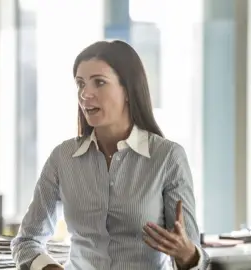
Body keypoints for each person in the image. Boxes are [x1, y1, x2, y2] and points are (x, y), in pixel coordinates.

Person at [11, 40, 210, 270]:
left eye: (100, 83)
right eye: (80, 84)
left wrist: (187, 255)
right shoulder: (62, 158)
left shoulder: (167, 157)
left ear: (128, 90)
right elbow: (26, 242)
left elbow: (193, 257)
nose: (86, 94)